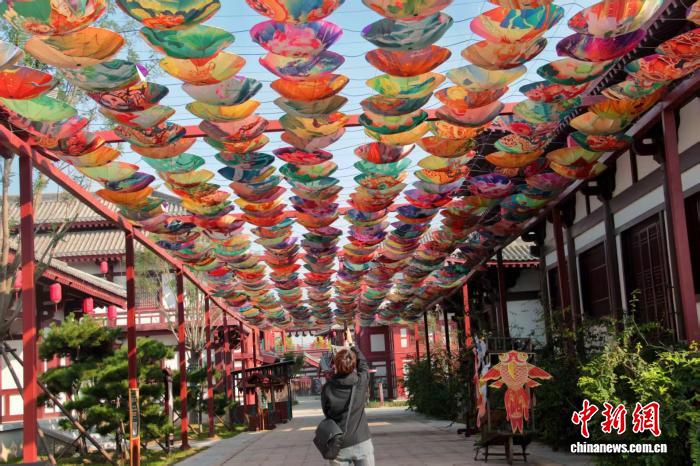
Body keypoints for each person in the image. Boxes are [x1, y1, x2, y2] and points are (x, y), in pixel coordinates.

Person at [321, 345, 374, 466]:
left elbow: (327, 413)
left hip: (339, 445)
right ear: (353, 365)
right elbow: (364, 365)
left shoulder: (328, 388)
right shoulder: (360, 382)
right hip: (361, 440)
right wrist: (353, 345)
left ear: (336, 365)